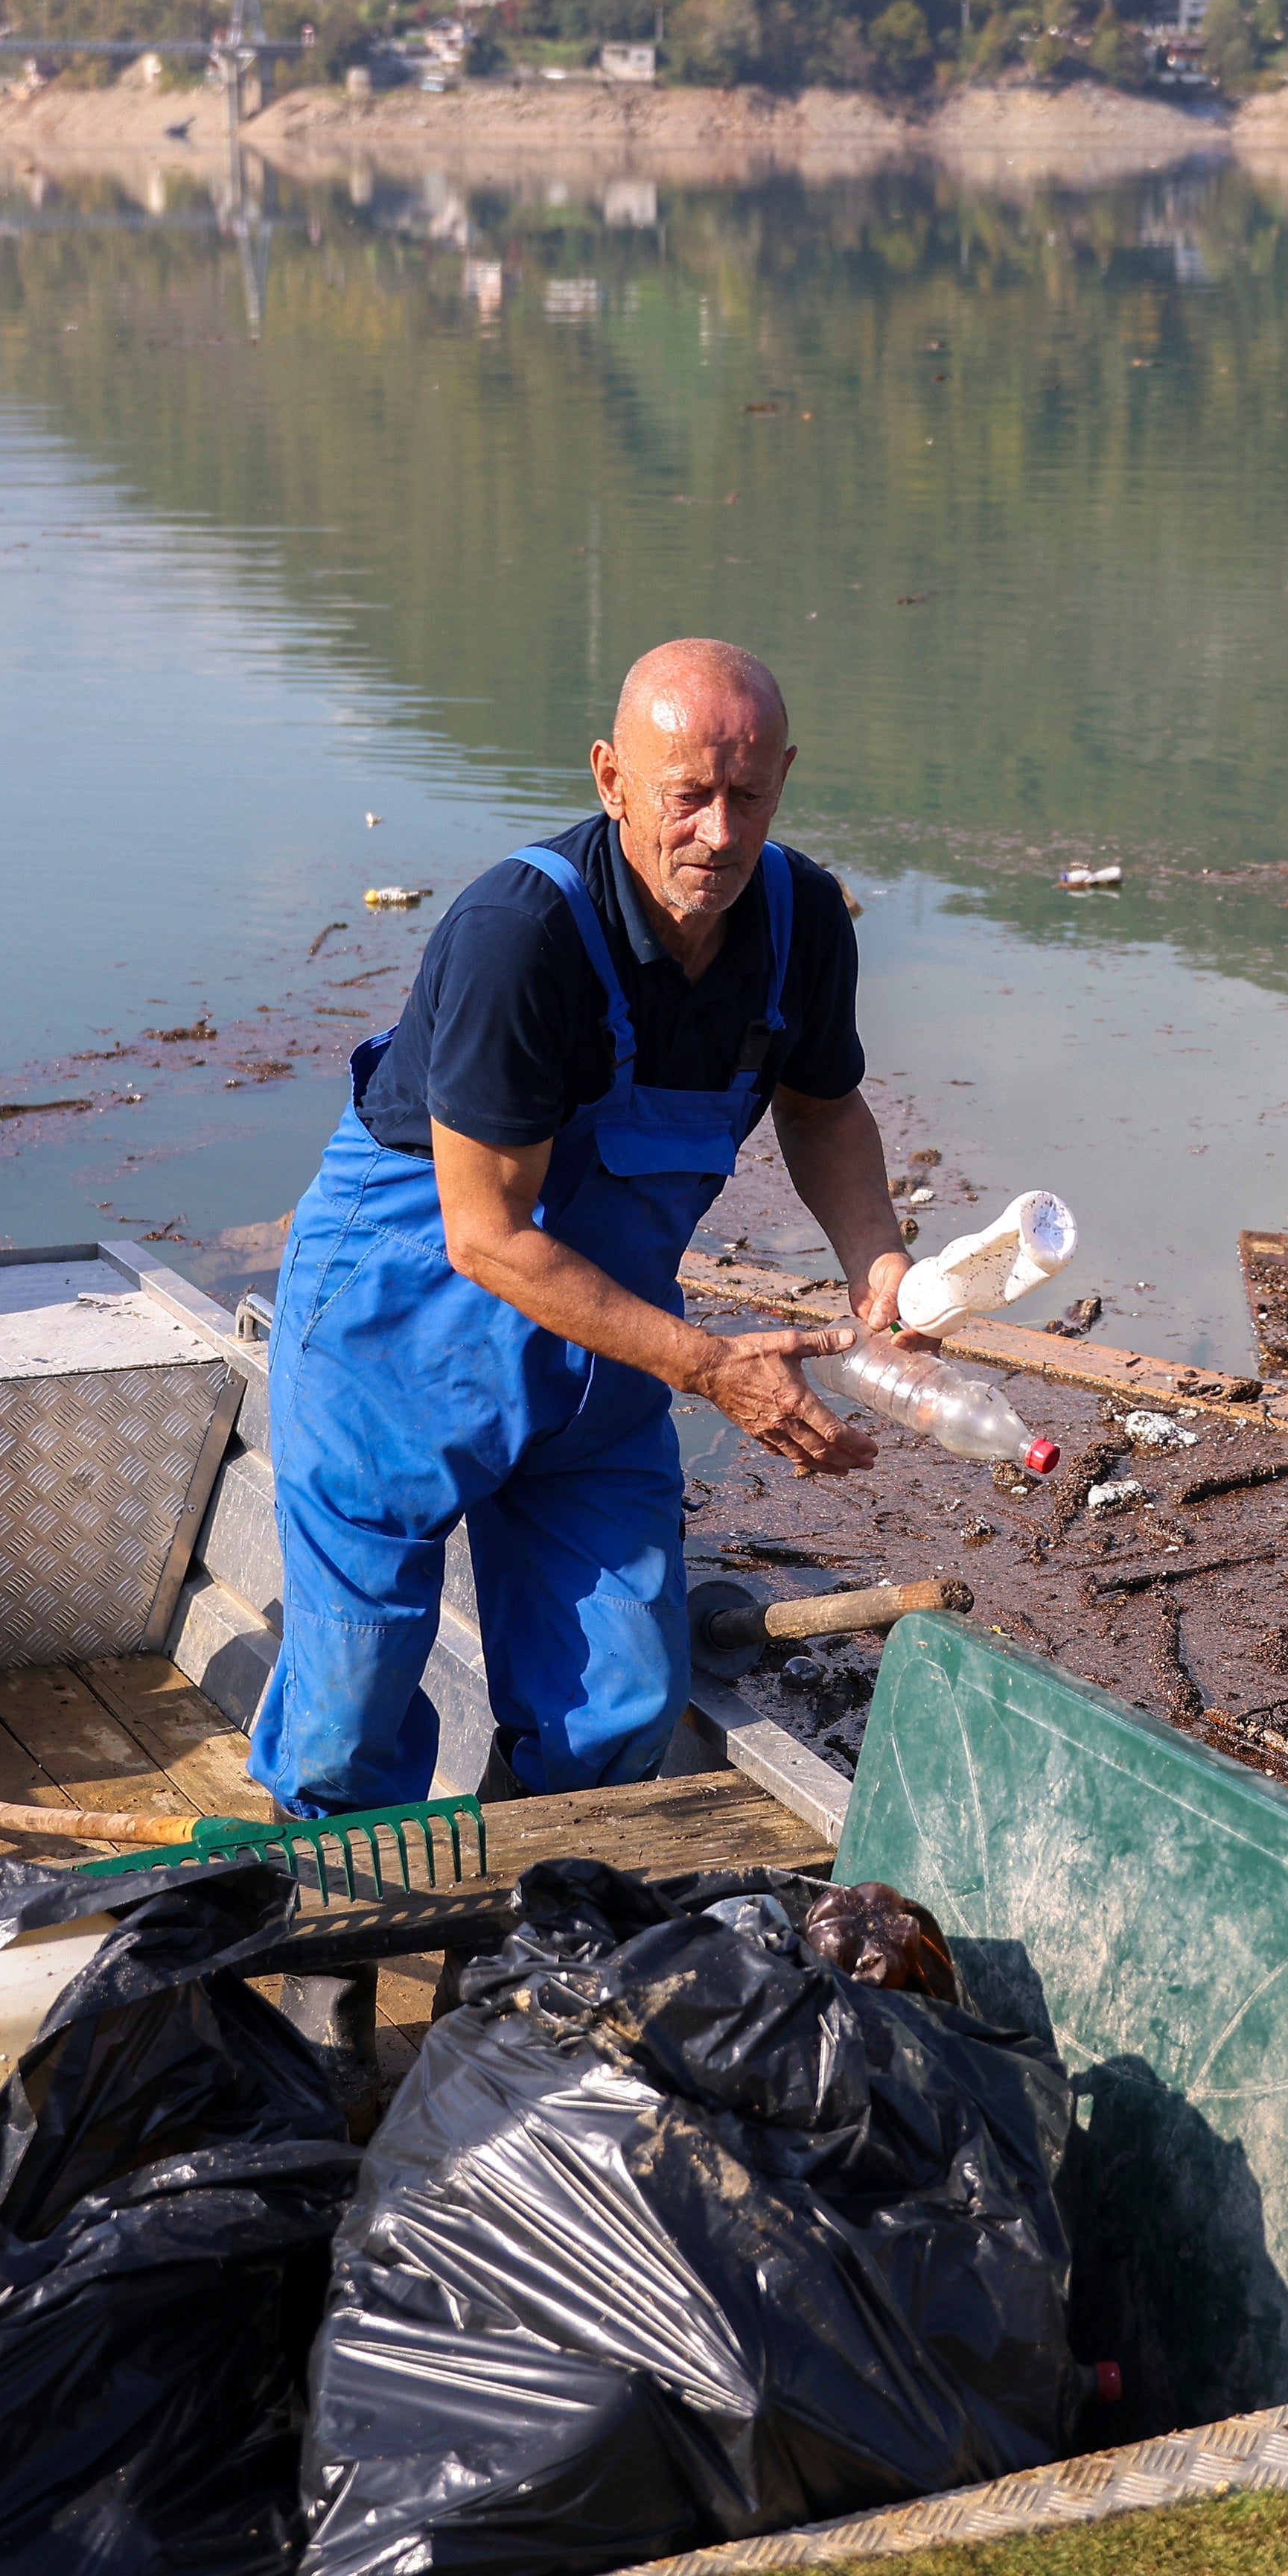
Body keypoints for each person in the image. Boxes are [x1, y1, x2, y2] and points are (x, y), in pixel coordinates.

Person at [249, 640, 919, 1811]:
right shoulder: (522, 937)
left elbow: (822, 1109)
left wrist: (881, 1265)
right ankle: (326, 1974)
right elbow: (487, 1235)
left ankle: (518, 1943)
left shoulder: (805, 920)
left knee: (617, 1711)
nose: (719, 832)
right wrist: (715, 1369)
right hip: (399, 1331)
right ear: (610, 780)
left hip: (602, 1343)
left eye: (748, 797)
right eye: (687, 797)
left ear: (785, 779)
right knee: (345, 1729)